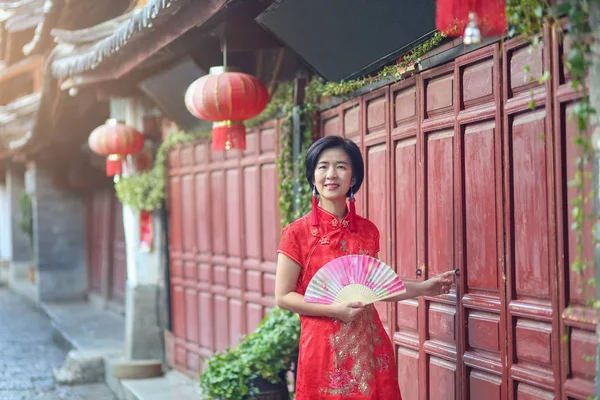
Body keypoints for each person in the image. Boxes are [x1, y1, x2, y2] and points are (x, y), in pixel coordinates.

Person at [275, 136, 455, 400]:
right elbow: (283, 296)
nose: (331, 174)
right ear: (313, 177)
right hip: (323, 347)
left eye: (341, 166)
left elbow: (378, 285)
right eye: (322, 167)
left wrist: (425, 287)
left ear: (354, 178)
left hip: (368, 343)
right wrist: (334, 310)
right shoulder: (297, 234)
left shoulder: (367, 231)